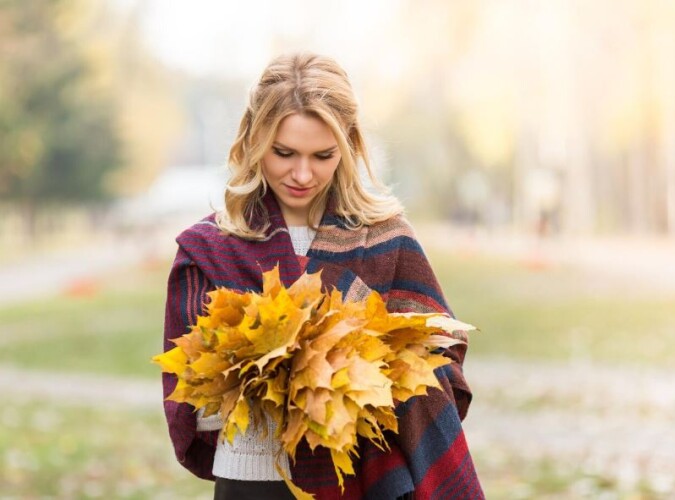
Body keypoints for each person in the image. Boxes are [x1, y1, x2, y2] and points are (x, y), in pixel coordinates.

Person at [161, 52, 484, 499]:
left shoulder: (387, 237)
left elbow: (439, 364)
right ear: (255, 141)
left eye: (322, 155)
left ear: (348, 146)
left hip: (365, 479)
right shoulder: (212, 248)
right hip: (254, 480)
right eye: (284, 152)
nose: (301, 173)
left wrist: (359, 374)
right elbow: (190, 403)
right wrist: (268, 373)